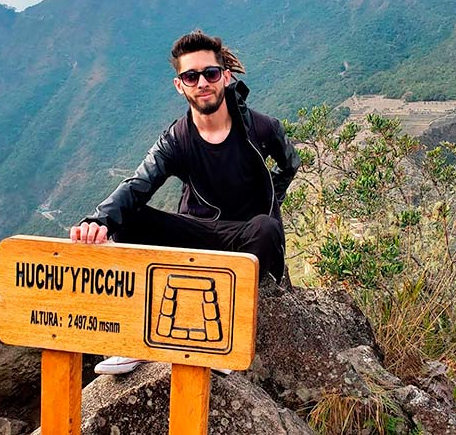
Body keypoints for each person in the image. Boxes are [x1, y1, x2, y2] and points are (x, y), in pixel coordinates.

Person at [70, 30, 300, 374]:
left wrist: (270, 200)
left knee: (266, 228)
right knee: (129, 218)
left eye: (209, 73)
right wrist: (99, 220)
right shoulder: (176, 139)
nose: (202, 83)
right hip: (198, 234)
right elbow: (138, 185)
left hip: (244, 240)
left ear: (225, 75)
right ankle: (138, 341)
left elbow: (290, 164)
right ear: (180, 86)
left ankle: (219, 339)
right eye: (191, 76)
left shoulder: (262, 128)